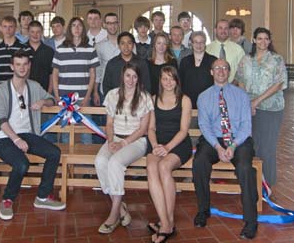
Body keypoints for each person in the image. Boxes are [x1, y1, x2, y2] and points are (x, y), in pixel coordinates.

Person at [0, 50, 65, 221]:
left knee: (54, 153)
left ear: (29, 65)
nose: (22, 68)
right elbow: (0, 119)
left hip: (27, 134)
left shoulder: (33, 86)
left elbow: (53, 100)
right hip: (4, 136)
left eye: (25, 64)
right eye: (18, 64)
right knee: (22, 164)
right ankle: (7, 199)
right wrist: (16, 139)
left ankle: (43, 196)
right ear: (12, 66)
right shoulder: (1, 90)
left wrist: (43, 102)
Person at [193, 59, 258, 240]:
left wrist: (232, 145)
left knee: (245, 168)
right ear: (211, 72)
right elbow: (204, 126)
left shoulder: (241, 95)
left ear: (229, 72)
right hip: (213, 140)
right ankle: (203, 210)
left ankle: (251, 221)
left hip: (239, 140)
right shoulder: (203, 97)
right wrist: (217, 146)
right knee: (199, 162)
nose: (221, 71)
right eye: (217, 68)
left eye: (224, 68)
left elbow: (246, 126)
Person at [95, 63, 152, 234]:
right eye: (128, 75)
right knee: (100, 161)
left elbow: (143, 129)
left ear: (138, 79)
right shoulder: (112, 95)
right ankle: (120, 206)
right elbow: (109, 123)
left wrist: (123, 144)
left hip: (136, 141)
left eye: (134, 76)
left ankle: (113, 215)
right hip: (115, 138)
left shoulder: (144, 97)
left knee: (115, 163)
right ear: (122, 76)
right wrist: (111, 141)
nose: (131, 80)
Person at [235, 27, 287, 187]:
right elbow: (240, 80)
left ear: (270, 41)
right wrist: (247, 103)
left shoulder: (276, 59)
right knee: (252, 145)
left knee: (267, 146)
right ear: (254, 40)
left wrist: (255, 102)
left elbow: (278, 84)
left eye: (266, 39)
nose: (263, 42)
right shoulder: (246, 60)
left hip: (270, 109)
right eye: (259, 38)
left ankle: (267, 184)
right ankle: (252, 181)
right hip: (248, 109)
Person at [146, 66, 192, 243]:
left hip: (178, 144)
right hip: (158, 143)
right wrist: (155, 145)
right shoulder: (153, 99)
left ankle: (166, 224)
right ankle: (166, 222)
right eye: (165, 79)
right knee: (151, 167)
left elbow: (183, 130)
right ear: (160, 81)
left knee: (164, 166)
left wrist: (167, 147)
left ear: (177, 80)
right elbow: (150, 128)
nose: (168, 82)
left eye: (171, 78)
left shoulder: (185, 100)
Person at [52, 17, 99, 144]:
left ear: (83, 29)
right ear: (69, 29)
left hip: (83, 97)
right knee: (66, 131)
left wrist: (87, 97)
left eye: (79, 25)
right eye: (73, 25)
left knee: (86, 131)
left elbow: (93, 75)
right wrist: (57, 96)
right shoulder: (60, 49)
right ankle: (66, 162)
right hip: (65, 97)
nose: (77, 28)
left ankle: (86, 163)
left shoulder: (90, 49)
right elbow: (55, 74)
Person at [0, 16, 31, 85]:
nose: (8, 29)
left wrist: (15, 90)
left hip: (19, 90)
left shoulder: (25, 48)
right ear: (0, 28)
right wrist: (0, 90)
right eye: (5, 26)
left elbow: (27, 72)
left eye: (11, 27)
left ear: (15, 29)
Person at [179, 31, 217, 109]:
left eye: (201, 42)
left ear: (205, 44)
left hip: (209, 102)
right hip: (188, 102)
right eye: (196, 42)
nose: (198, 45)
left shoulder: (213, 60)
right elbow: (180, 82)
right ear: (192, 44)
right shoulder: (185, 61)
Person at [95, 12, 120, 104]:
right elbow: (98, 71)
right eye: (109, 23)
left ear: (118, 24)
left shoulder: (128, 44)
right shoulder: (99, 46)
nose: (112, 26)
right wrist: (95, 92)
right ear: (104, 25)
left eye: (115, 23)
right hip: (106, 90)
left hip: (126, 89)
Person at [27, 20, 54, 92]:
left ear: (42, 33)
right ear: (28, 32)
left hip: (44, 92)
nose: (35, 35)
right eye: (32, 32)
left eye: (38, 32)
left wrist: (49, 92)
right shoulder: (22, 50)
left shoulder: (49, 51)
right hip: (25, 92)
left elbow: (51, 74)